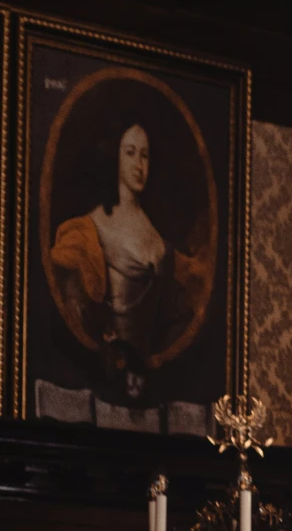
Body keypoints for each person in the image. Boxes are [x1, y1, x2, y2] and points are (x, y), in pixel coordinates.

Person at [47, 109, 209, 403]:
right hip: (109, 375)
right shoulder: (93, 225)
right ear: (115, 158)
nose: (139, 164)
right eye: (131, 152)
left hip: (153, 380)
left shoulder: (157, 230)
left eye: (145, 155)